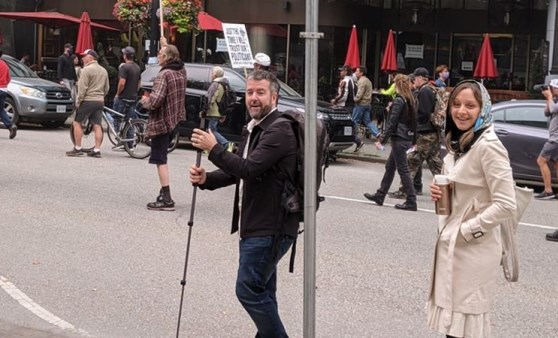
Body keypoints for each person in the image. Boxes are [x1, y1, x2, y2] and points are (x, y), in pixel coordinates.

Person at [188, 70, 298, 337]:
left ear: (275, 96)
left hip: (270, 226)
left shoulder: (280, 130)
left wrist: (213, 149)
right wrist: (207, 179)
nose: (254, 98)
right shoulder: (253, 128)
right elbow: (237, 169)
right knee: (263, 292)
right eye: (250, 92)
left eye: (260, 92)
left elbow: (248, 168)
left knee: (248, 289)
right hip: (257, 224)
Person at [427, 80, 516, 338]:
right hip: (452, 246)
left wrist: (467, 231)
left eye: (470, 105)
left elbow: (506, 203)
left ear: (483, 109)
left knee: (464, 327)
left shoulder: (488, 145)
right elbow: (466, 194)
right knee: (453, 327)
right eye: (456, 104)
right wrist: (441, 194)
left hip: (473, 250)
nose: (461, 111)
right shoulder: (459, 143)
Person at [139, 43, 186, 211]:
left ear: (166, 58)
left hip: (162, 122)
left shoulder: (164, 74)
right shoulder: (181, 72)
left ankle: (166, 198)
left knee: (160, 159)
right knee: (162, 157)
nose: (158, 56)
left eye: (160, 54)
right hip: (175, 120)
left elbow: (156, 101)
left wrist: (145, 101)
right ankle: (163, 193)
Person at [363, 73, 417, 211]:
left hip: (399, 138)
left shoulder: (399, 100)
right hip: (406, 137)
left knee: (403, 170)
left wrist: (382, 140)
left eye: (394, 83)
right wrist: (414, 139)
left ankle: (411, 200)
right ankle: (380, 194)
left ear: (397, 85)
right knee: (390, 166)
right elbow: (415, 121)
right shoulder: (410, 99)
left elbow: (392, 122)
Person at [66, 49, 109, 158]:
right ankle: (97, 149)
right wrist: (101, 96)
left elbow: (82, 88)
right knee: (97, 125)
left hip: (88, 100)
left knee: (77, 123)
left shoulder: (86, 70)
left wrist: (78, 101)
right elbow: (107, 88)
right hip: (99, 101)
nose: (82, 58)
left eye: (85, 56)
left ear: (91, 57)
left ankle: (78, 148)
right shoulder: (103, 70)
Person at [407, 67, 443, 194]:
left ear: (420, 78)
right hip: (433, 131)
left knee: (412, 160)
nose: (414, 81)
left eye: (415, 78)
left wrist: (415, 121)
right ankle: (447, 189)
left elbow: (423, 113)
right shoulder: (431, 89)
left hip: (425, 132)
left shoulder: (424, 91)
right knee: (435, 164)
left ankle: (405, 190)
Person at [112, 46, 141, 148]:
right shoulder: (137, 67)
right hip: (133, 97)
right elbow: (139, 84)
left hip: (123, 97)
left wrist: (118, 93)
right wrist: (134, 92)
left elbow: (122, 83)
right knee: (130, 121)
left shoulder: (124, 67)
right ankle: (129, 143)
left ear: (125, 56)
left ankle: (119, 137)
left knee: (116, 117)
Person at [535, 79, 558, 202]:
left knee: (541, 161)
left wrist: (549, 96)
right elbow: (547, 112)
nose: (551, 90)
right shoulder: (554, 101)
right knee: (556, 164)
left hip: (555, 140)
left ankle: (548, 191)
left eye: (553, 88)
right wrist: (548, 98)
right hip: (555, 139)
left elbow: (553, 110)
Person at [204, 66, 233, 151]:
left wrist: (206, 108)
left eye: (213, 73)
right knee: (211, 130)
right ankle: (210, 148)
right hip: (219, 111)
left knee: (211, 130)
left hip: (213, 111)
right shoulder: (224, 84)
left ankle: (226, 144)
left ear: (216, 74)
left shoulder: (215, 84)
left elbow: (211, 98)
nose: (211, 74)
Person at [352, 66, 380, 152]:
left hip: (361, 104)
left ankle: (355, 138)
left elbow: (359, 94)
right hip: (368, 104)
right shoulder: (368, 81)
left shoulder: (362, 82)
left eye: (357, 71)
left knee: (354, 121)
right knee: (367, 121)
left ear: (361, 73)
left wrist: (354, 99)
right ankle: (377, 133)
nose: (356, 73)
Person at [331, 65, 359, 147]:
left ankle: (354, 140)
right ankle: (356, 139)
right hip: (351, 105)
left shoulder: (344, 81)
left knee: (341, 124)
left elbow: (343, 95)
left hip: (344, 106)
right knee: (349, 124)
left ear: (346, 71)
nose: (340, 72)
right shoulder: (352, 80)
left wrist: (335, 100)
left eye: (342, 70)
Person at [0, 51, 16, 139]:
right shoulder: (5, 64)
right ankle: (10, 126)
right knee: (1, 110)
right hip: (3, 89)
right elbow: (9, 78)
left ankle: (11, 126)